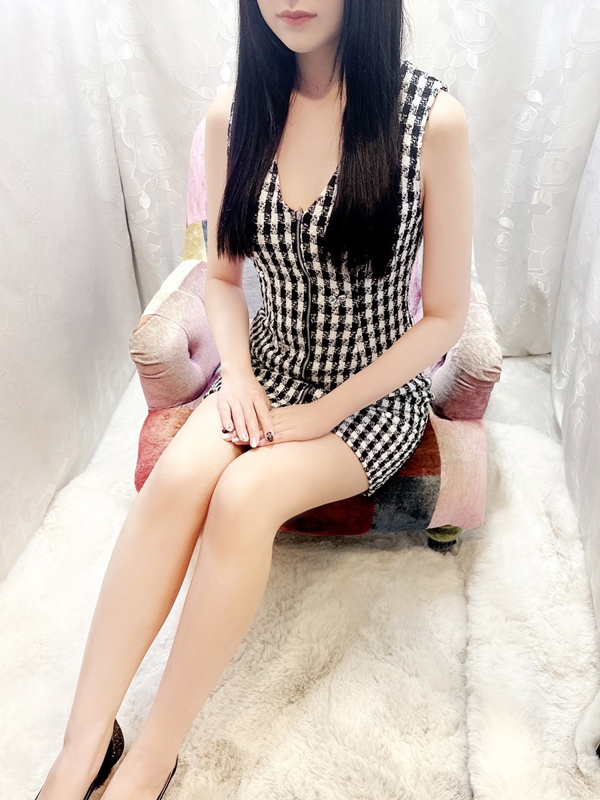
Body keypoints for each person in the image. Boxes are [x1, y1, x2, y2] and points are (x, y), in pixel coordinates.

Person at [33, 1, 472, 799]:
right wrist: (235, 376)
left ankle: (153, 757)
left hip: (371, 397)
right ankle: (81, 748)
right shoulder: (235, 114)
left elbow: (443, 318)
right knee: (177, 480)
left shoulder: (429, 119)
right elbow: (225, 279)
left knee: (243, 497)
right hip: (264, 370)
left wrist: (322, 414)